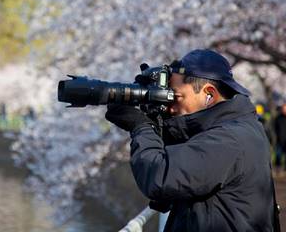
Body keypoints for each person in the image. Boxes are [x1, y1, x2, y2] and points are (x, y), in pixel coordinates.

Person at [106, 49, 277, 232]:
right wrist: (155, 115)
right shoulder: (238, 128)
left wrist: (141, 126)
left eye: (176, 97)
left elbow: (160, 178)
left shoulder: (230, 139)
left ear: (208, 95)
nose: (171, 108)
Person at [274, 103, 286, 172]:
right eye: (283, 109)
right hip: (279, 140)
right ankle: (277, 169)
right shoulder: (278, 118)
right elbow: (274, 128)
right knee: (278, 155)